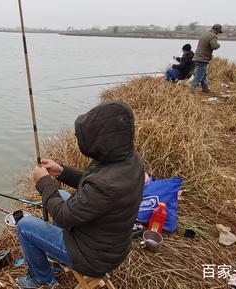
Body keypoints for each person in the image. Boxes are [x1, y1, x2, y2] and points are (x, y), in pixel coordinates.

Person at [16, 101, 144, 288]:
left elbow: (63, 216)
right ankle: (55, 257)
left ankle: (42, 279)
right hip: (110, 244)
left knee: (25, 226)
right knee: (60, 194)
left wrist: (43, 182)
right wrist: (62, 171)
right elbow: (94, 182)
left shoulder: (105, 184)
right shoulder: (130, 161)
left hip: (93, 258)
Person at [191, 24, 222, 93]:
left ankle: (205, 88)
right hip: (202, 58)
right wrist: (218, 45)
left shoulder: (204, 34)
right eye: (218, 32)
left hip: (197, 57)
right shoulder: (213, 36)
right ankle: (193, 87)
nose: (218, 33)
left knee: (203, 74)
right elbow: (214, 46)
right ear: (216, 30)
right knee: (199, 74)